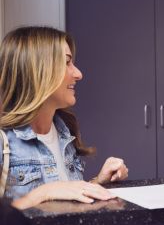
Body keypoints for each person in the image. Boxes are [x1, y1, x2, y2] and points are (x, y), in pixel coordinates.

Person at [0, 26, 128, 210]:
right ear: (37, 71)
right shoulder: (4, 141)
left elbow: (66, 200)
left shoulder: (63, 131)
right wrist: (43, 193)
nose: (78, 74)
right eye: (67, 62)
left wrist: (97, 182)